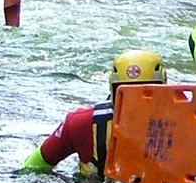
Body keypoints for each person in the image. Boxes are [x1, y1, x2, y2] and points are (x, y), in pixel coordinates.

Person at [20, 50, 167, 175]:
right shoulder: (81, 124)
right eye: (126, 94)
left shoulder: (184, 127)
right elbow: (32, 169)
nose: (135, 104)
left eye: (147, 94)